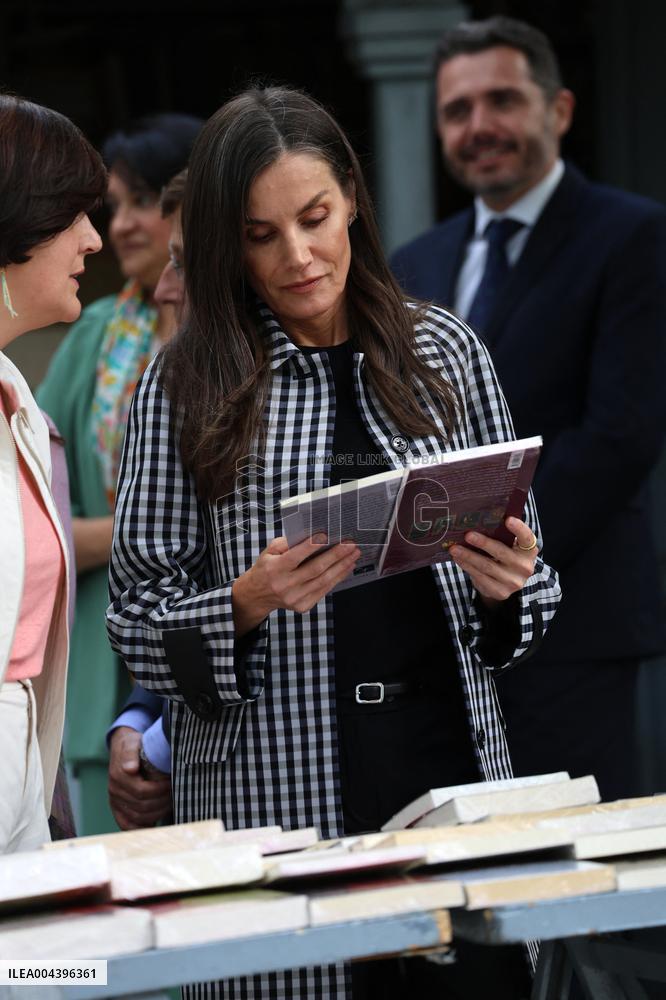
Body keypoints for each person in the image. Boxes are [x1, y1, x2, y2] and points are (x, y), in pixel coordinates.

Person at [106, 85, 560, 999]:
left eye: (314, 218)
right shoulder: (184, 384)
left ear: (352, 195)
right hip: (273, 784)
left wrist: (510, 583)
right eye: (260, 235)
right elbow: (136, 619)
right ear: (227, 244)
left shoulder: (446, 352)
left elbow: (536, 582)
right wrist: (247, 600)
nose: (299, 256)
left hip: (448, 766)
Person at [391, 16, 666, 802]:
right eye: (457, 110)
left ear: (560, 109)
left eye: (502, 100)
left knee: (570, 860)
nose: (478, 126)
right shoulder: (416, 260)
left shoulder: (633, 236)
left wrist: (490, 540)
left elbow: (620, 435)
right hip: (443, 636)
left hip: (575, 624)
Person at [37, 116, 202, 835]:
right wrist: (138, 532)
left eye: (145, 201)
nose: (123, 224)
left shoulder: (247, 339)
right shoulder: (94, 331)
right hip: (103, 668)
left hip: (219, 666)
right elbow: (29, 507)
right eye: (116, 205)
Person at [0, 93, 105, 852]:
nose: (94, 239)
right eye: (75, 213)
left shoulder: (19, 400)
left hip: (25, 769)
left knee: (48, 946)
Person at [107, 171, 188, 831]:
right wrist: (136, 720)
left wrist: (158, 745)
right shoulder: (168, 387)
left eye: (182, 264)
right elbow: (159, 590)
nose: (163, 288)